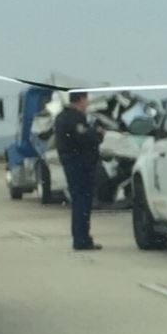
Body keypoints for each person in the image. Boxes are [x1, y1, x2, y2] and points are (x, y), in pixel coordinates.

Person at [54, 91, 104, 251]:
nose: (87, 103)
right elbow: (85, 139)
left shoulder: (62, 116)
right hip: (80, 165)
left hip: (72, 164)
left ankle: (81, 237)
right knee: (82, 202)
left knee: (79, 201)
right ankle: (82, 239)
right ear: (81, 99)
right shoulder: (74, 118)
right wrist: (97, 134)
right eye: (86, 99)